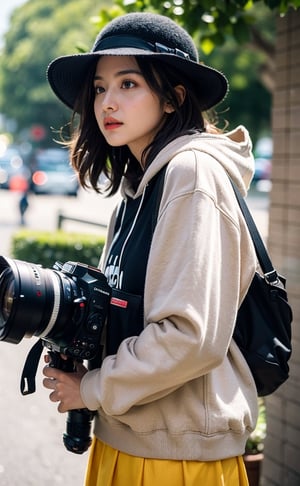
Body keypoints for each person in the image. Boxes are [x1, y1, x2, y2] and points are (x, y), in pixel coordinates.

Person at [43, 12, 259, 486]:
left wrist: (95, 387)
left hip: (176, 458)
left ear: (172, 98)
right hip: (126, 439)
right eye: (99, 88)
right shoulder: (139, 188)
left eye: (128, 84)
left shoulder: (191, 175)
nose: (108, 103)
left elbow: (189, 336)